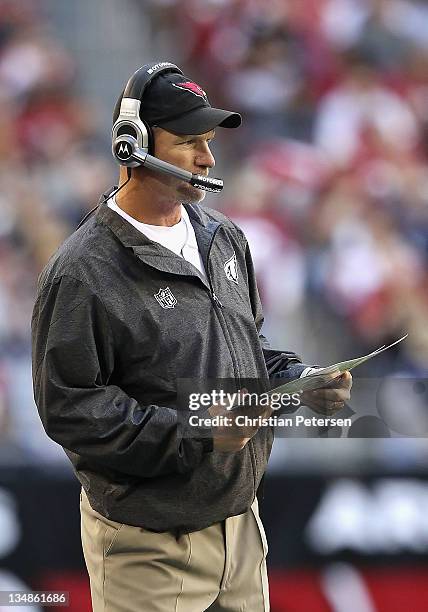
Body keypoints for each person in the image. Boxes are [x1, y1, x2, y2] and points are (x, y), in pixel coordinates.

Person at [31, 62, 352, 612]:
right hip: (149, 546)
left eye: (208, 141)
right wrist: (195, 432)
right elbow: (70, 408)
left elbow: (245, 348)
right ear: (133, 145)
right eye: (188, 142)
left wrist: (298, 382)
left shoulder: (224, 237)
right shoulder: (83, 270)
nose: (208, 158)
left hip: (241, 529)